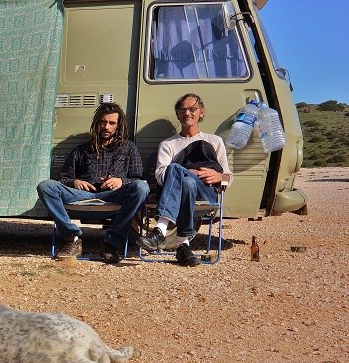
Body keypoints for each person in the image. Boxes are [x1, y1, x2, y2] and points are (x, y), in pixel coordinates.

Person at [36, 102, 148, 263]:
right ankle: (72, 238)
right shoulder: (81, 150)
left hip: (113, 196)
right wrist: (75, 182)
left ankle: (112, 243)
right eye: (103, 122)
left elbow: (138, 179)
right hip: (83, 196)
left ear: (118, 125)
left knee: (141, 187)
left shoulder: (129, 148)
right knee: (45, 186)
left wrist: (121, 181)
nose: (106, 127)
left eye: (111, 123)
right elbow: (63, 179)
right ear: (97, 123)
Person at [138, 93, 233, 267]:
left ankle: (159, 230)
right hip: (181, 192)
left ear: (201, 113)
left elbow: (228, 176)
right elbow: (160, 176)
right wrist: (189, 173)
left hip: (205, 193)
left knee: (176, 169)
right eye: (182, 109)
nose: (187, 113)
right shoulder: (168, 144)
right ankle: (183, 245)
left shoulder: (214, 141)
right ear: (177, 114)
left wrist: (220, 177)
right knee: (184, 179)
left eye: (192, 109)